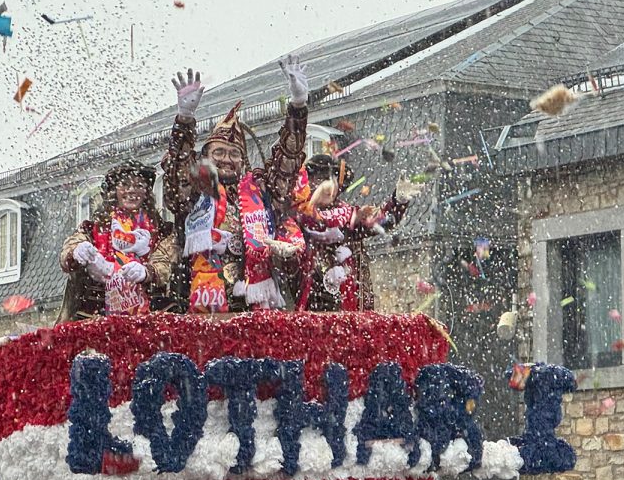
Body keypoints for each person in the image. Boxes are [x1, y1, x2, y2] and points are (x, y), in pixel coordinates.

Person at [161, 56, 311, 312]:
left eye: (234, 154)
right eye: (219, 152)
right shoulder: (196, 192)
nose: (227, 159)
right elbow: (178, 174)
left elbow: (287, 162)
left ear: (243, 161)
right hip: (201, 301)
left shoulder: (261, 192)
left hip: (256, 303)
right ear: (206, 157)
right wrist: (184, 120)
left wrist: (298, 107)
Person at [292, 153, 420, 311]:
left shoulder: (349, 215)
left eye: (328, 180)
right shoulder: (298, 216)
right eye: (317, 179)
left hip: (346, 298)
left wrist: (398, 201)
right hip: (310, 294)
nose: (324, 186)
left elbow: (381, 222)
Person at [57, 160, 171, 321]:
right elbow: (68, 252)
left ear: (146, 192)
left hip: (148, 312)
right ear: (114, 191)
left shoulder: (161, 230)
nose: (132, 190)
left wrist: (147, 272)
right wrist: (77, 251)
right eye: (125, 184)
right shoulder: (93, 228)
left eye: (139, 185)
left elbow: (165, 263)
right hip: (98, 311)